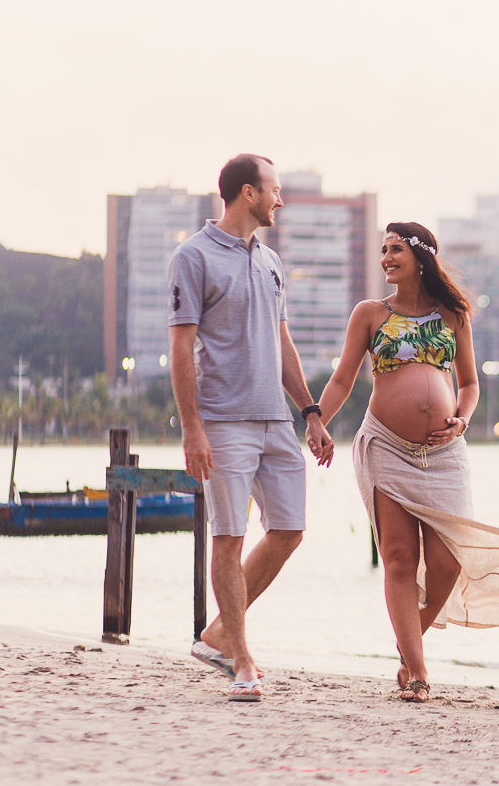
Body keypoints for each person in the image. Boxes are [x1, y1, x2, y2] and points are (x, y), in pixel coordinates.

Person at [312, 222, 499, 703]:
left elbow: (470, 384)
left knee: (447, 563)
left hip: (445, 453)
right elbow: (343, 379)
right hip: (387, 447)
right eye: (383, 250)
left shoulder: (453, 314)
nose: (386, 257)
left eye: (396, 250)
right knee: (398, 558)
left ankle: (408, 641)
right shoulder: (370, 314)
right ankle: (417, 672)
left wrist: (463, 420)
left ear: (420, 257)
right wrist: (317, 421)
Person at [168, 154, 334, 703]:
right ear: (247, 193)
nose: (280, 200)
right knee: (229, 536)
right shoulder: (192, 257)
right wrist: (193, 429)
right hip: (222, 421)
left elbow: (282, 343)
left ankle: (217, 635)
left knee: (289, 530)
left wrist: (310, 413)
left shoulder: (270, 261)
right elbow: (181, 348)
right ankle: (241, 659)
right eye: (274, 190)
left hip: (275, 422)